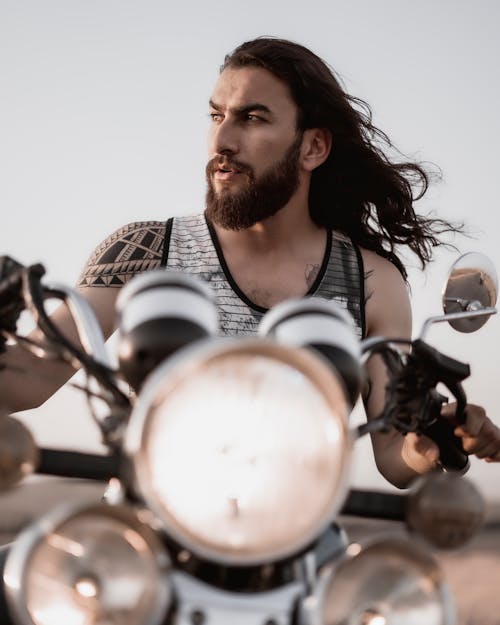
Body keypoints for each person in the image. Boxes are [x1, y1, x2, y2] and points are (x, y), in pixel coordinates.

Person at [1, 37, 499, 488]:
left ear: (313, 147)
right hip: (154, 532)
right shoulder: (145, 251)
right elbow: (29, 378)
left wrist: (429, 445)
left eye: (252, 118)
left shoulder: (370, 281)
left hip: (297, 544)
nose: (223, 142)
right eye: (217, 116)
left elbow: (393, 452)